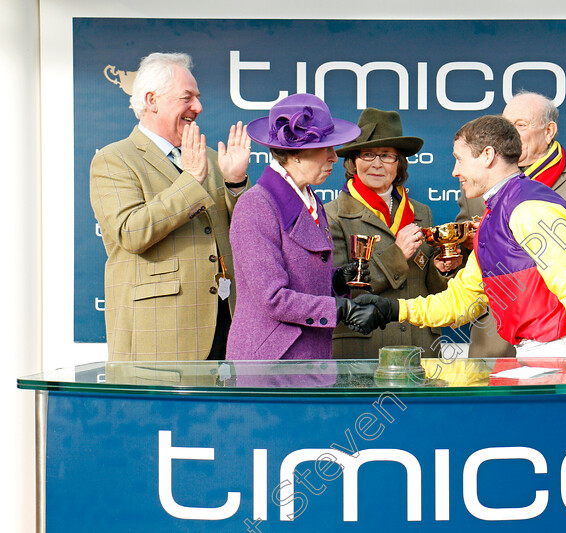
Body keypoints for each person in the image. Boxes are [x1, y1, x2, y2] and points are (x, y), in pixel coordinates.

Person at [357, 115, 566, 359]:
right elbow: (464, 299)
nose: (455, 171)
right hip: (538, 351)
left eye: (459, 159)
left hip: (563, 351)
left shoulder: (529, 207)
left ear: (488, 155)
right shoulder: (494, 213)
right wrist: (395, 309)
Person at [90, 52, 251, 361]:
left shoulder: (214, 161)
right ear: (152, 101)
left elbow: (248, 235)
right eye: (187, 98)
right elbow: (132, 232)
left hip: (227, 328)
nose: (198, 107)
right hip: (160, 336)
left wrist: (235, 183)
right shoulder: (115, 160)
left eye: (198, 98)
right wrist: (191, 181)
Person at [455, 91, 566, 357]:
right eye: (506, 124)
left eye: (520, 125)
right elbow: (469, 265)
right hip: (492, 342)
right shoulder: (479, 181)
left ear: (549, 131)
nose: (508, 132)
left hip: (564, 346)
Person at [225, 94, 381, 360]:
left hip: (307, 356)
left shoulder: (310, 199)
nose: (334, 157)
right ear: (295, 154)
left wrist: (336, 280)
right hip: (271, 362)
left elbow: (303, 278)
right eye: (326, 148)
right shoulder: (255, 206)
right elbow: (272, 298)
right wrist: (340, 309)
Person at [325, 108, 459, 359]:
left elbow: (431, 291)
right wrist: (397, 254)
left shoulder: (422, 212)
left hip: (420, 345)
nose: (377, 164)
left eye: (386, 156)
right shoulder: (332, 215)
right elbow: (339, 291)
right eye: (368, 155)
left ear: (399, 164)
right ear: (354, 162)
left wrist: (441, 271)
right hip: (363, 349)